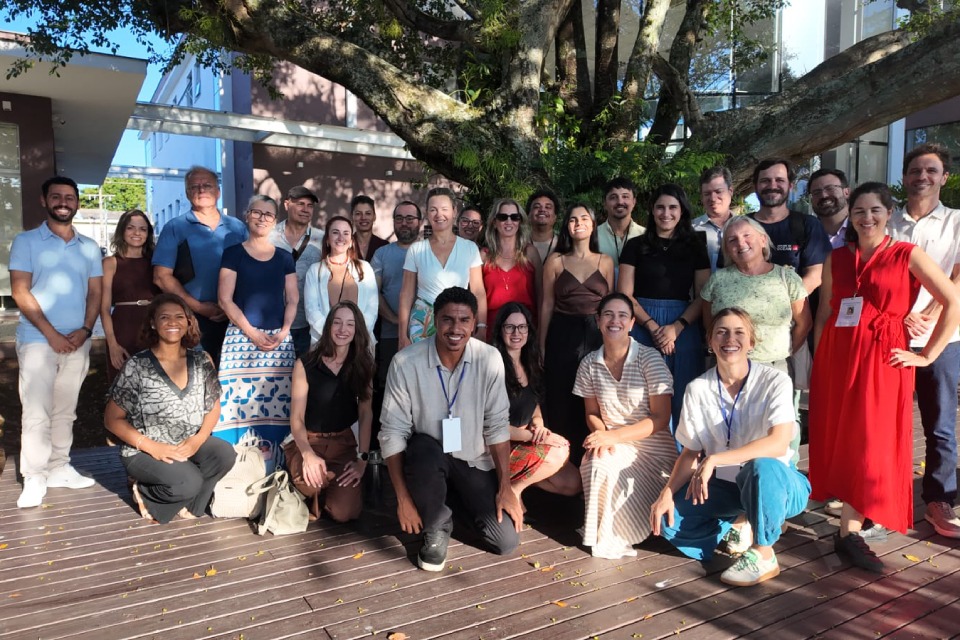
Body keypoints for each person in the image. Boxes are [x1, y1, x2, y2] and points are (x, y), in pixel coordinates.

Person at [810, 181, 960, 571]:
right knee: (842, 438)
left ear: (888, 213)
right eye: (859, 211)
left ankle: (850, 531)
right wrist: (818, 362)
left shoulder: (907, 254)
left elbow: (953, 300)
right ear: (851, 216)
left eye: (875, 210)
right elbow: (826, 313)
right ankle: (851, 524)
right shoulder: (837, 258)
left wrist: (927, 355)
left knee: (870, 441)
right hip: (837, 358)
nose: (866, 217)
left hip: (882, 359)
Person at [651, 308, 810, 586]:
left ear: (751, 342)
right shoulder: (697, 388)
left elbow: (778, 442)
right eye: (721, 332)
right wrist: (666, 493)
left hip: (778, 484)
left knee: (760, 465)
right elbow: (689, 452)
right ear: (710, 342)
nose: (729, 339)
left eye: (739, 332)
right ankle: (740, 522)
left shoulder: (775, 381)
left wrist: (714, 459)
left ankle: (763, 551)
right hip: (726, 489)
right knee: (668, 521)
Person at [380, 287, 523, 571]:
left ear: (474, 323)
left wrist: (506, 487)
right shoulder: (406, 362)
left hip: (473, 462)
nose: (455, 328)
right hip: (429, 460)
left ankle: (442, 507)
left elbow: (497, 426)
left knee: (505, 541)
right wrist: (403, 499)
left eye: (464, 320)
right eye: (447, 320)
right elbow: (392, 433)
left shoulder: (490, 358)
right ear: (435, 320)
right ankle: (436, 525)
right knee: (421, 448)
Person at [104, 294, 236, 524]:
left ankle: (190, 506)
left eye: (179, 317)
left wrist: (198, 439)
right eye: (164, 317)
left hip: (187, 442)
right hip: (144, 449)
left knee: (224, 454)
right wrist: (152, 447)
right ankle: (146, 493)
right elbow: (112, 420)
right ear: (153, 323)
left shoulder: (202, 360)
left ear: (188, 322)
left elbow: (213, 407)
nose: (172, 322)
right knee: (189, 481)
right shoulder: (138, 366)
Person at [11, 176, 102, 508]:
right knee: (36, 411)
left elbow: (95, 292)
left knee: (66, 410)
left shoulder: (90, 247)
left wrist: (86, 328)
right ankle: (34, 477)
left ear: (78, 203)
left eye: (69, 197)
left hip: (78, 340)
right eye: (56, 196)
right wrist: (51, 333)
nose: (63, 202)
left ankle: (59, 467)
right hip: (38, 339)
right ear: (44, 200)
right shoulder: (26, 241)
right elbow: (20, 290)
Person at [888, 142, 960, 539]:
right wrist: (902, 316)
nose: (922, 177)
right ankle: (884, 494)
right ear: (905, 177)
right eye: (916, 170)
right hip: (895, 336)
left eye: (931, 171)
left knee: (941, 425)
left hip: (944, 339)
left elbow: (959, 277)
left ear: (943, 177)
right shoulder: (887, 222)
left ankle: (939, 499)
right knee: (889, 421)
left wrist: (930, 313)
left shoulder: (957, 221)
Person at [573, 293, 676, 559]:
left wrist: (613, 437)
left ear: (632, 323)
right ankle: (602, 536)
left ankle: (620, 532)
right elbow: (591, 413)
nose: (614, 321)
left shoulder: (649, 358)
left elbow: (661, 418)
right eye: (608, 314)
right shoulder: (588, 364)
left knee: (605, 456)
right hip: (613, 441)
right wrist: (603, 436)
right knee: (595, 460)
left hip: (652, 449)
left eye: (622, 316)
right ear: (598, 321)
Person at [618, 184, 710, 429]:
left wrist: (676, 327)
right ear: (651, 210)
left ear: (682, 211)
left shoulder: (695, 246)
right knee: (642, 395)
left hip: (684, 322)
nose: (666, 213)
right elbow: (625, 294)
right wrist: (651, 326)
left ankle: (682, 458)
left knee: (684, 392)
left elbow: (704, 295)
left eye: (672, 207)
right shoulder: (635, 246)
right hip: (641, 322)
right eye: (660, 207)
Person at [214, 195, 298, 447]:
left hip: (278, 341)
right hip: (241, 338)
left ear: (275, 221)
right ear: (247, 215)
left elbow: (293, 299)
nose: (262, 218)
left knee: (279, 401)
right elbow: (224, 299)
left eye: (268, 214)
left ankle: (278, 462)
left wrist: (284, 331)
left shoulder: (285, 257)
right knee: (238, 403)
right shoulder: (233, 254)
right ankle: (237, 461)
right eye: (257, 212)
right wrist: (251, 332)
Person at [284, 302, 375, 522]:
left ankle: (332, 487)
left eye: (350, 324)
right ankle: (311, 485)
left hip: (342, 444)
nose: (343, 329)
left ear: (357, 330)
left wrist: (362, 460)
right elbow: (296, 419)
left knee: (345, 513)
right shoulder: (306, 364)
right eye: (337, 322)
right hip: (309, 440)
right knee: (312, 481)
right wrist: (307, 454)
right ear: (328, 326)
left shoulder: (363, 364)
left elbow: (365, 414)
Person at [540, 203, 614, 464]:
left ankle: (591, 463)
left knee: (593, 399)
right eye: (572, 219)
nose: (578, 223)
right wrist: (542, 344)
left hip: (596, 336)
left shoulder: (605, 261)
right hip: (562, 333)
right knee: (561, 398)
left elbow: (609, 307)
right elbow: (547, 304)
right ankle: (561, 465)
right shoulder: (555, 261)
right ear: (567, 227)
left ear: (593, 225)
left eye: (584, 218)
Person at [153, 166, 248, 366]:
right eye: (194, 187)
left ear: (218, 191)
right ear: (188, 193)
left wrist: (231, 306)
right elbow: (161, 277)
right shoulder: (174, 228)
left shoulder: (238, 227)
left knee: (231, 379)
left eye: (207, 185)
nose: (201, 190)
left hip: (236, 318)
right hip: (192, 319)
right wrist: (199, 307)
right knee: (197, 376)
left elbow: (251, 268)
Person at [491, 303, 581, 509]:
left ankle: (517, 482)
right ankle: (513, 491)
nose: (517, 333)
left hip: (525, 438)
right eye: (510, 327)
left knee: (573, 483)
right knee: (559, 451)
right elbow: (492, 426)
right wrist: (534, 437)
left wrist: (539, 424)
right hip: (499, 445)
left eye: (522, 327)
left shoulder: (530, 362)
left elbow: (534, 402)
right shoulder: (493, 366)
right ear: (500, 330)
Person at [701, 216, 811, 374]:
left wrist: (785, 353)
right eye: (732, 240)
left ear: (763, 240)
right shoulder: (717, 280)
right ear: (727, 249)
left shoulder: (787, 278)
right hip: (727, 367)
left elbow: (804, 323)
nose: (740, 243)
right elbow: (709, 325)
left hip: (774, 368)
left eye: (747, 235)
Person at [398, 187, 487, 347]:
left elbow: (478, 291)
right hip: (422, 322)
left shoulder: (469, 248)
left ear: (454, 211)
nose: (439, 215)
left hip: (457, 321)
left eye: (444, 209)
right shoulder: (416, 250)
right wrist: (402, 335)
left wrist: (481, 327)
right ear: (427, 213)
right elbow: (406, 294)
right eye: (433, 209)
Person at [372, 202, 422, 440]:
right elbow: (374, 292)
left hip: (426, 336)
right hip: (391, 335)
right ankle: (389, 443)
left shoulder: (428, 252)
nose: (405, 223)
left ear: (420, 222)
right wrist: (395, 319)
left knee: (421, 389)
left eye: (410, 218)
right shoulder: (382, 254)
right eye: (400, 218)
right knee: (389, 389)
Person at [748, 159, 831, 294]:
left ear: (790, 186)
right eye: (765, 181)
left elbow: (814, 276)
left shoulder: (808, 225)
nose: (772, 185)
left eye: (779, 180)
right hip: (745, 310)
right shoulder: (740, 227)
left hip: (793, 311)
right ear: (755, 186)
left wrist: (780, 304)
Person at [101, 209, 161, 381]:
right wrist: (112, 344)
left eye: (143, 229)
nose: (137, 233)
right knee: (122, 383)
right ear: (122, 230)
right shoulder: (110, 263)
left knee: (154, 384)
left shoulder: (157, 262)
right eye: (131, 228)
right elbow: (104, 308)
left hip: (153, 325)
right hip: (123, 327)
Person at [304, 215, 379, 345]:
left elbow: (371, 310)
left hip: (359, 344)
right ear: (327, 239)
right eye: (335, 233)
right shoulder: (315, 270)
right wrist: (333, 336)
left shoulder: (365, 268)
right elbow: (311, 310)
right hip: (325, 344)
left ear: (351, 241)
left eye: (346, 233)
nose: (340, 238)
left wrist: (355, 336)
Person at [271, 185, 325, 357]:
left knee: (303, 377)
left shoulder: (322, 239)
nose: (305, 210)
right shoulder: (269, 236)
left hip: (308, 323)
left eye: (310, 206)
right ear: (287, 205)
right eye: (300, 204)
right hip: (273, 321)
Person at [481, 198, 542, 341]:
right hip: (493, 328)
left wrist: (540, 331)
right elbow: (477, 295)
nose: (509, 221)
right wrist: (480, 327)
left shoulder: (530, 253)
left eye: (514, 217)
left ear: (520, 222)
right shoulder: (484, 256)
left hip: (524, 329)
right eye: (503, 217)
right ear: (494, 222)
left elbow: (541, 296)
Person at [692, 166, 735, 272]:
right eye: (707, 194)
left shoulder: (747, 227)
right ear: (701, 197)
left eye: (718, 191)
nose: (713, 198)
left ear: (730, 191)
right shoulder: (691, 229)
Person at [597, 177, 645, 272]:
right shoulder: (592, 236)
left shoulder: (646, 235)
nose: (620, 202)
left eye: (625, 196)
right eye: (613, 197)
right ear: (605, 203)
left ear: (634, 202)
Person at [809, 169, 850, 250]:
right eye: (816, 192)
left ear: (846, 192)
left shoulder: (863, 227)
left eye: (830, 188)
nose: (823, 195)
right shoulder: (806, 233)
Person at [351, 194, 389, 261]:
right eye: (358, 214)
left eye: (368, 213)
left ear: (374, 217)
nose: (363, 218)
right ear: (352, 217)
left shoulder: (384, 246)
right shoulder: (345, 245)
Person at [527, 189, 560, 262]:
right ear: (528, 216)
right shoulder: (518, 244)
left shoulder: (564, 244)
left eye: (548, 207)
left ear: (555, 217)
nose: (542, 210)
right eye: (537, 207)